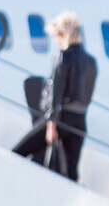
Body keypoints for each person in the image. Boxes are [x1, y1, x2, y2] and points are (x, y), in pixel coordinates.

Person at [12, 11, 98, 181]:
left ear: (62, 34)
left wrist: (51, 124)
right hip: (80, 122)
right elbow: (87, 96)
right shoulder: (91, 61)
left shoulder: (63, 56)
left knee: (18, 151)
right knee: (72, 173)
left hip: (60, 119)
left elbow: (56, 92)